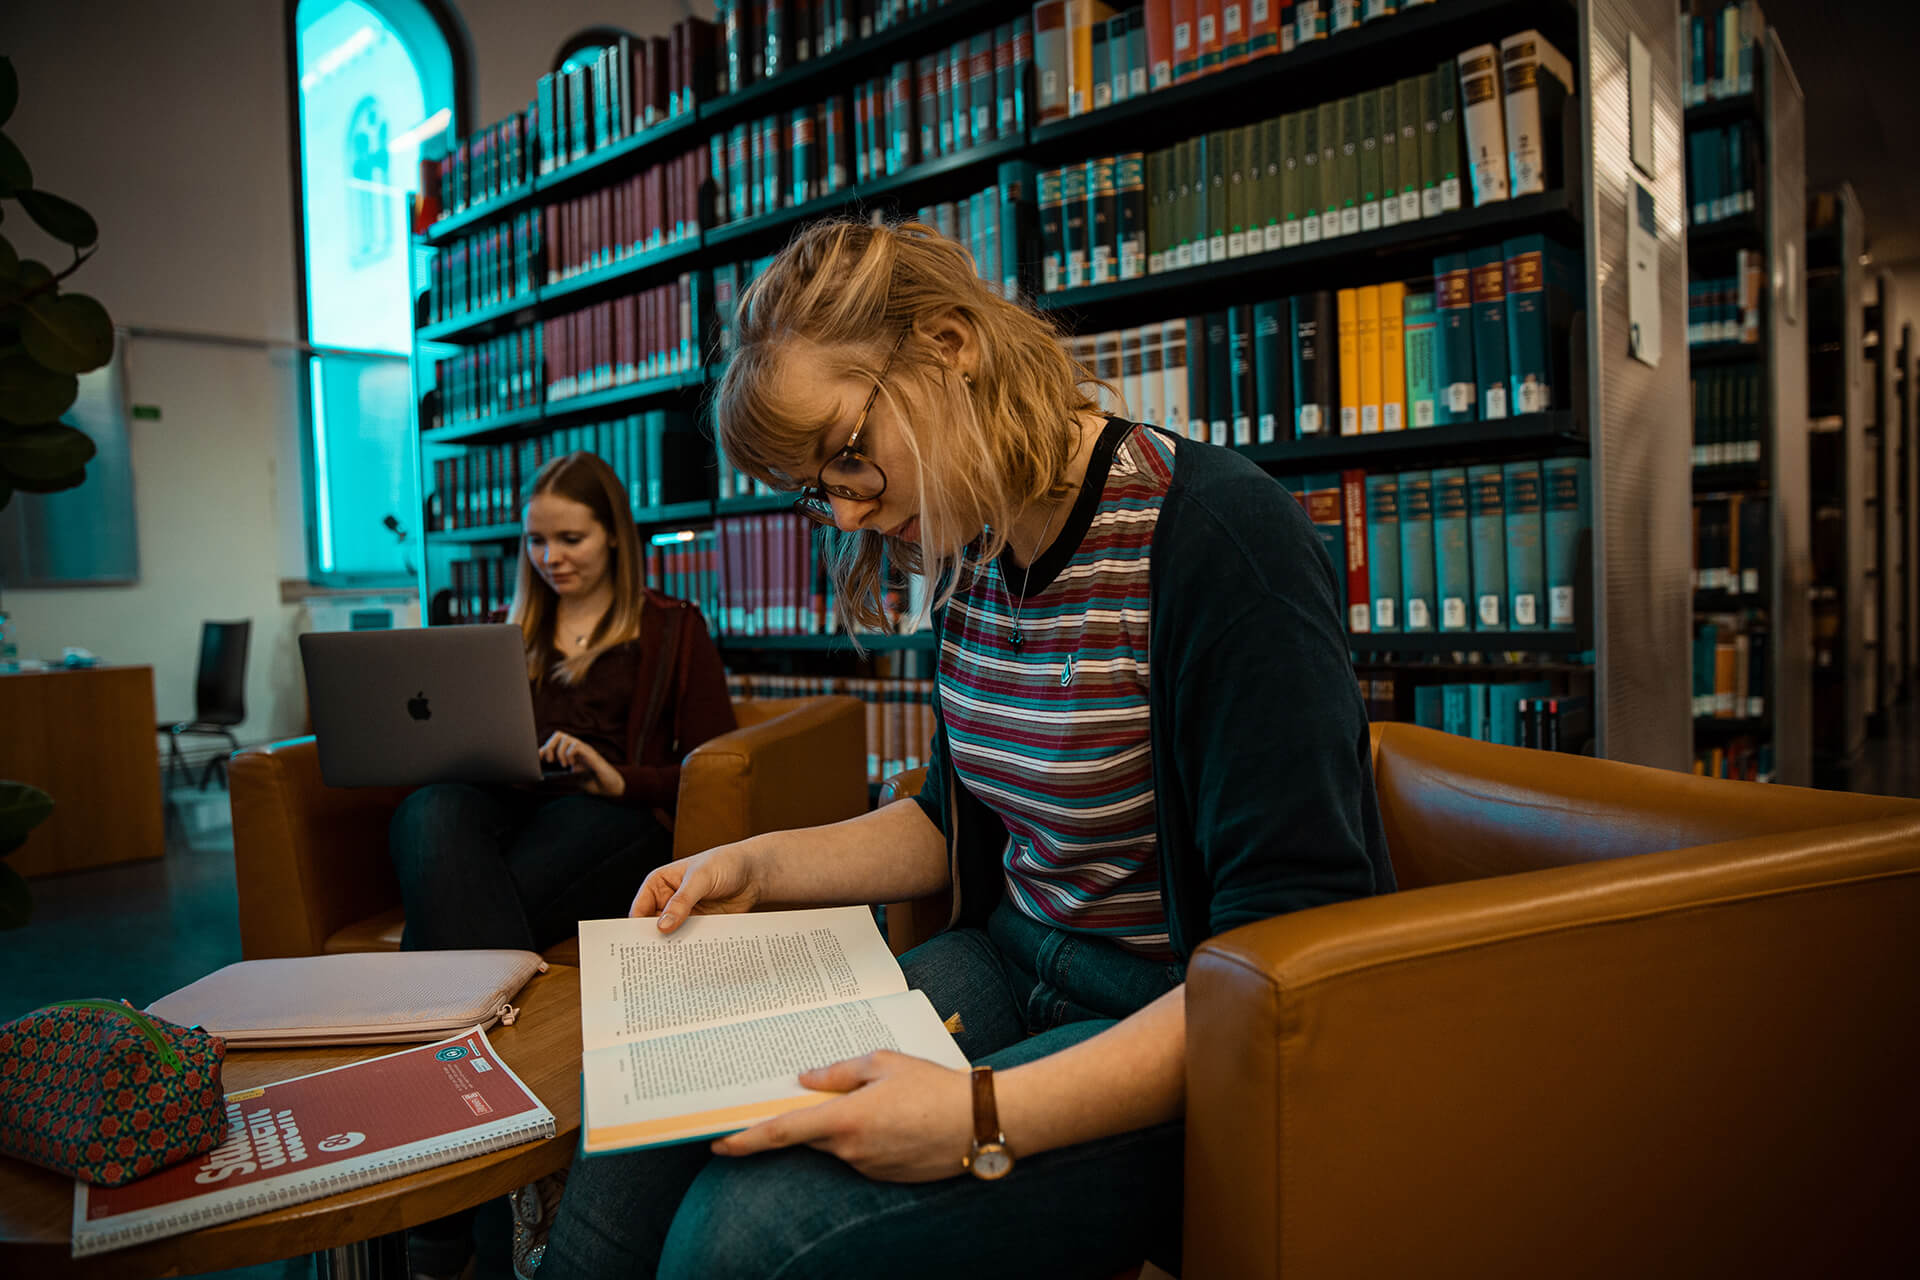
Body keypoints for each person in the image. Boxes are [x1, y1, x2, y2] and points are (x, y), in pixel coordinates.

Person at [540, 218, 1395, 1279]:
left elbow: (1285, 962)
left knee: (747, 1232)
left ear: (950, 345)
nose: (849, 509)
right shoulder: (972, 546)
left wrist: (976, 1111)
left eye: (849, 455)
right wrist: (756, 865)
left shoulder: (1219, 539)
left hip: (1174, 1028)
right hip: (1012, 959)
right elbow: (954, 819)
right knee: (642, 1114)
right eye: (818, 486)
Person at [388, 450, 735, 1279]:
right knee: (428, 809)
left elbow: (714, 759)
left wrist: (621, 775)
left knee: (454, 904)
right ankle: (502, 1164)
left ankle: (443, 1197)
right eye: (537, 542)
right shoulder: (509, 636)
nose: (553, 558)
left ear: (615, 535)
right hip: (511, 814)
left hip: (611, 818)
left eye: (571, 538)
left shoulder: (672, 626)